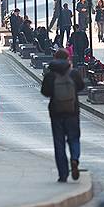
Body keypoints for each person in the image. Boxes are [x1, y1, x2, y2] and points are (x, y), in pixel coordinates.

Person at [40, 49, 86, 182]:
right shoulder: (73, 73)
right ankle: (75, 159)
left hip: (56, 112)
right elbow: (81, 87)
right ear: (68, 58)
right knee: (74, 138)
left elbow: (45, 92)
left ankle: (63, 174)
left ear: (55, 58)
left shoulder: (50, 75)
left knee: (59, 143)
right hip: (72, 111)